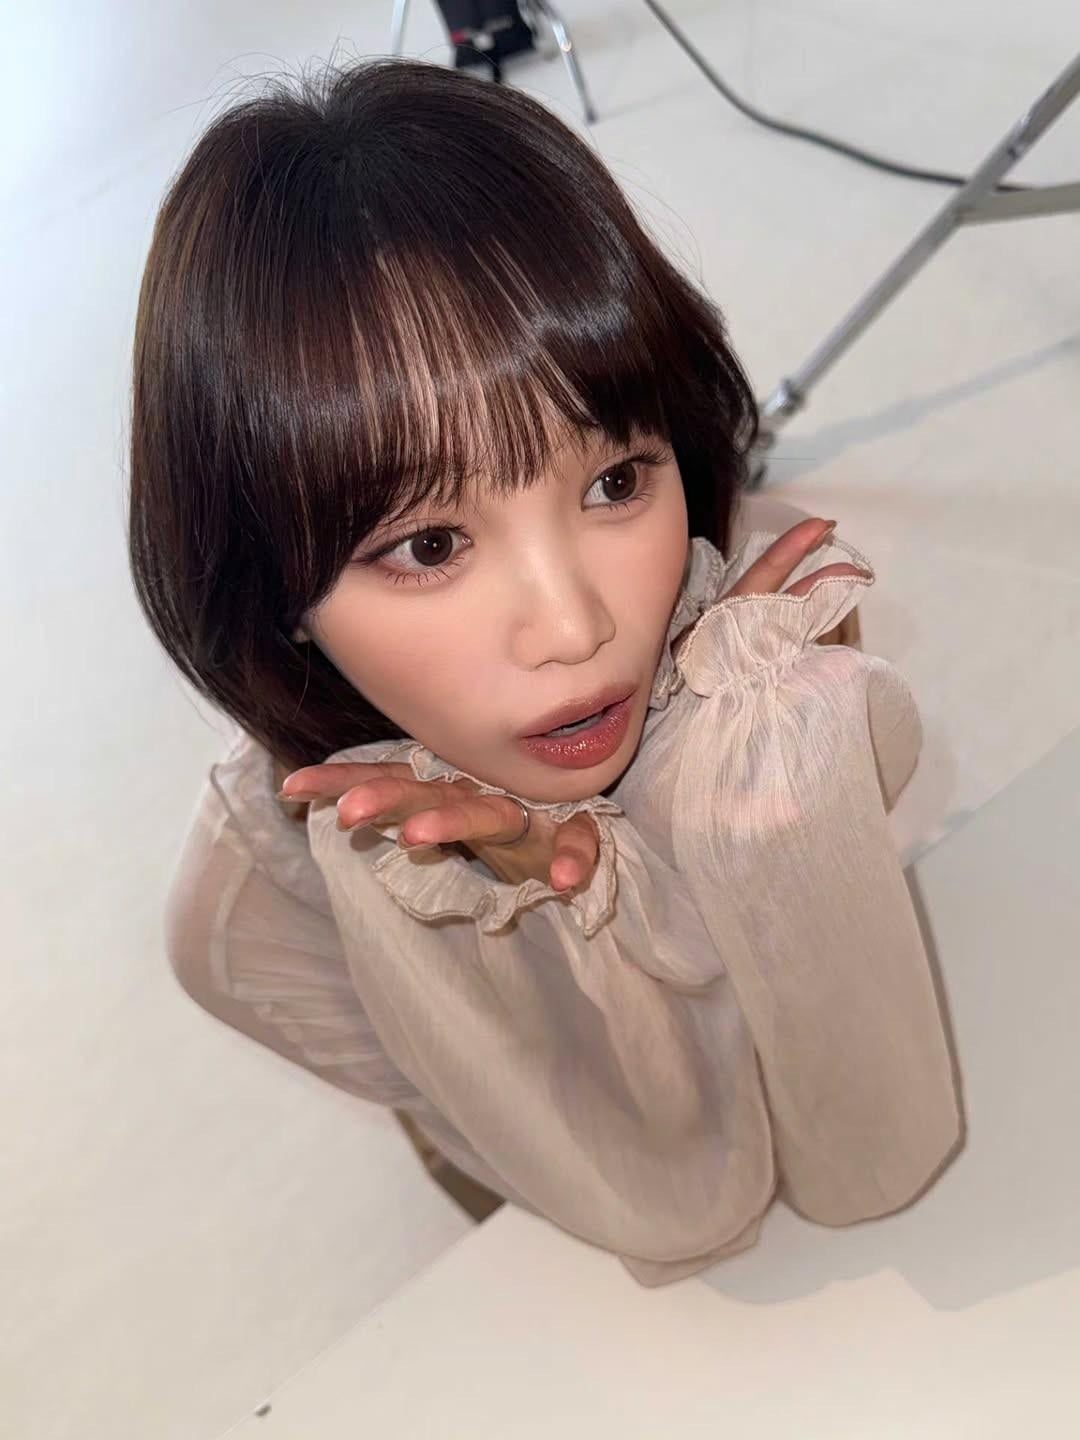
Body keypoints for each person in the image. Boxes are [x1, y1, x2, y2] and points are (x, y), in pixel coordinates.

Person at [129, 57, 962, 1288]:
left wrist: (721, 766)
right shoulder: (253, 911)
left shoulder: (754, 616)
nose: (577, 626)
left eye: (615, 481)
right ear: (273, 593)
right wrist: (515, 941)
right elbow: (622, 1177)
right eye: (429, 546)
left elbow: (841, 1039)